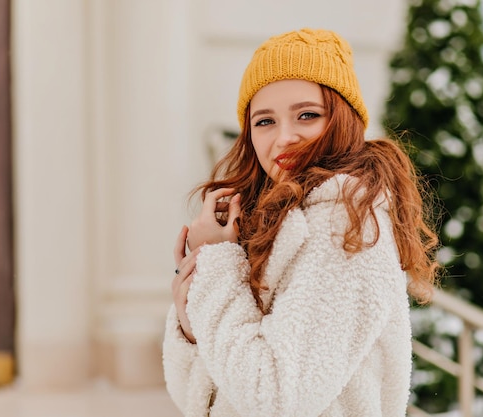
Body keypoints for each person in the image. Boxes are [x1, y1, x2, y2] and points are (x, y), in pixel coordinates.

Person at [163, 28, 439, 417]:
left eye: (307, 115)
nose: (284, 137)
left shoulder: (347, 219)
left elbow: (275, 400)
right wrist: (193, 325)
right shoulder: (269, 221)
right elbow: (195, 398)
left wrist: (217, 261)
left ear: (342, 120)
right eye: (264, 122)